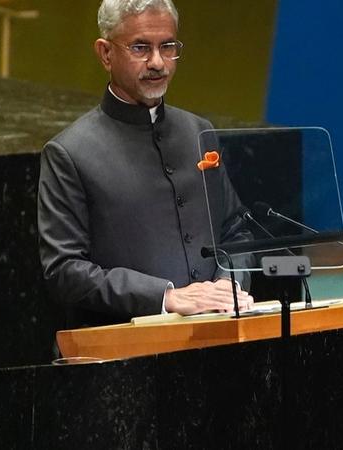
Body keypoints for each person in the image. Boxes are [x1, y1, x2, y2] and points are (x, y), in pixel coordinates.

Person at [38, 0, 253, 327]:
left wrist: (229, 284)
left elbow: (235, 230)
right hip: (126, 355)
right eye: (140, 47)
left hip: (220, 334)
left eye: (167, 47)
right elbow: (65, 270)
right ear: (105, 54)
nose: (158, 63)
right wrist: (165, 297)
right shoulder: (68, 152)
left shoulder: (199, 131)